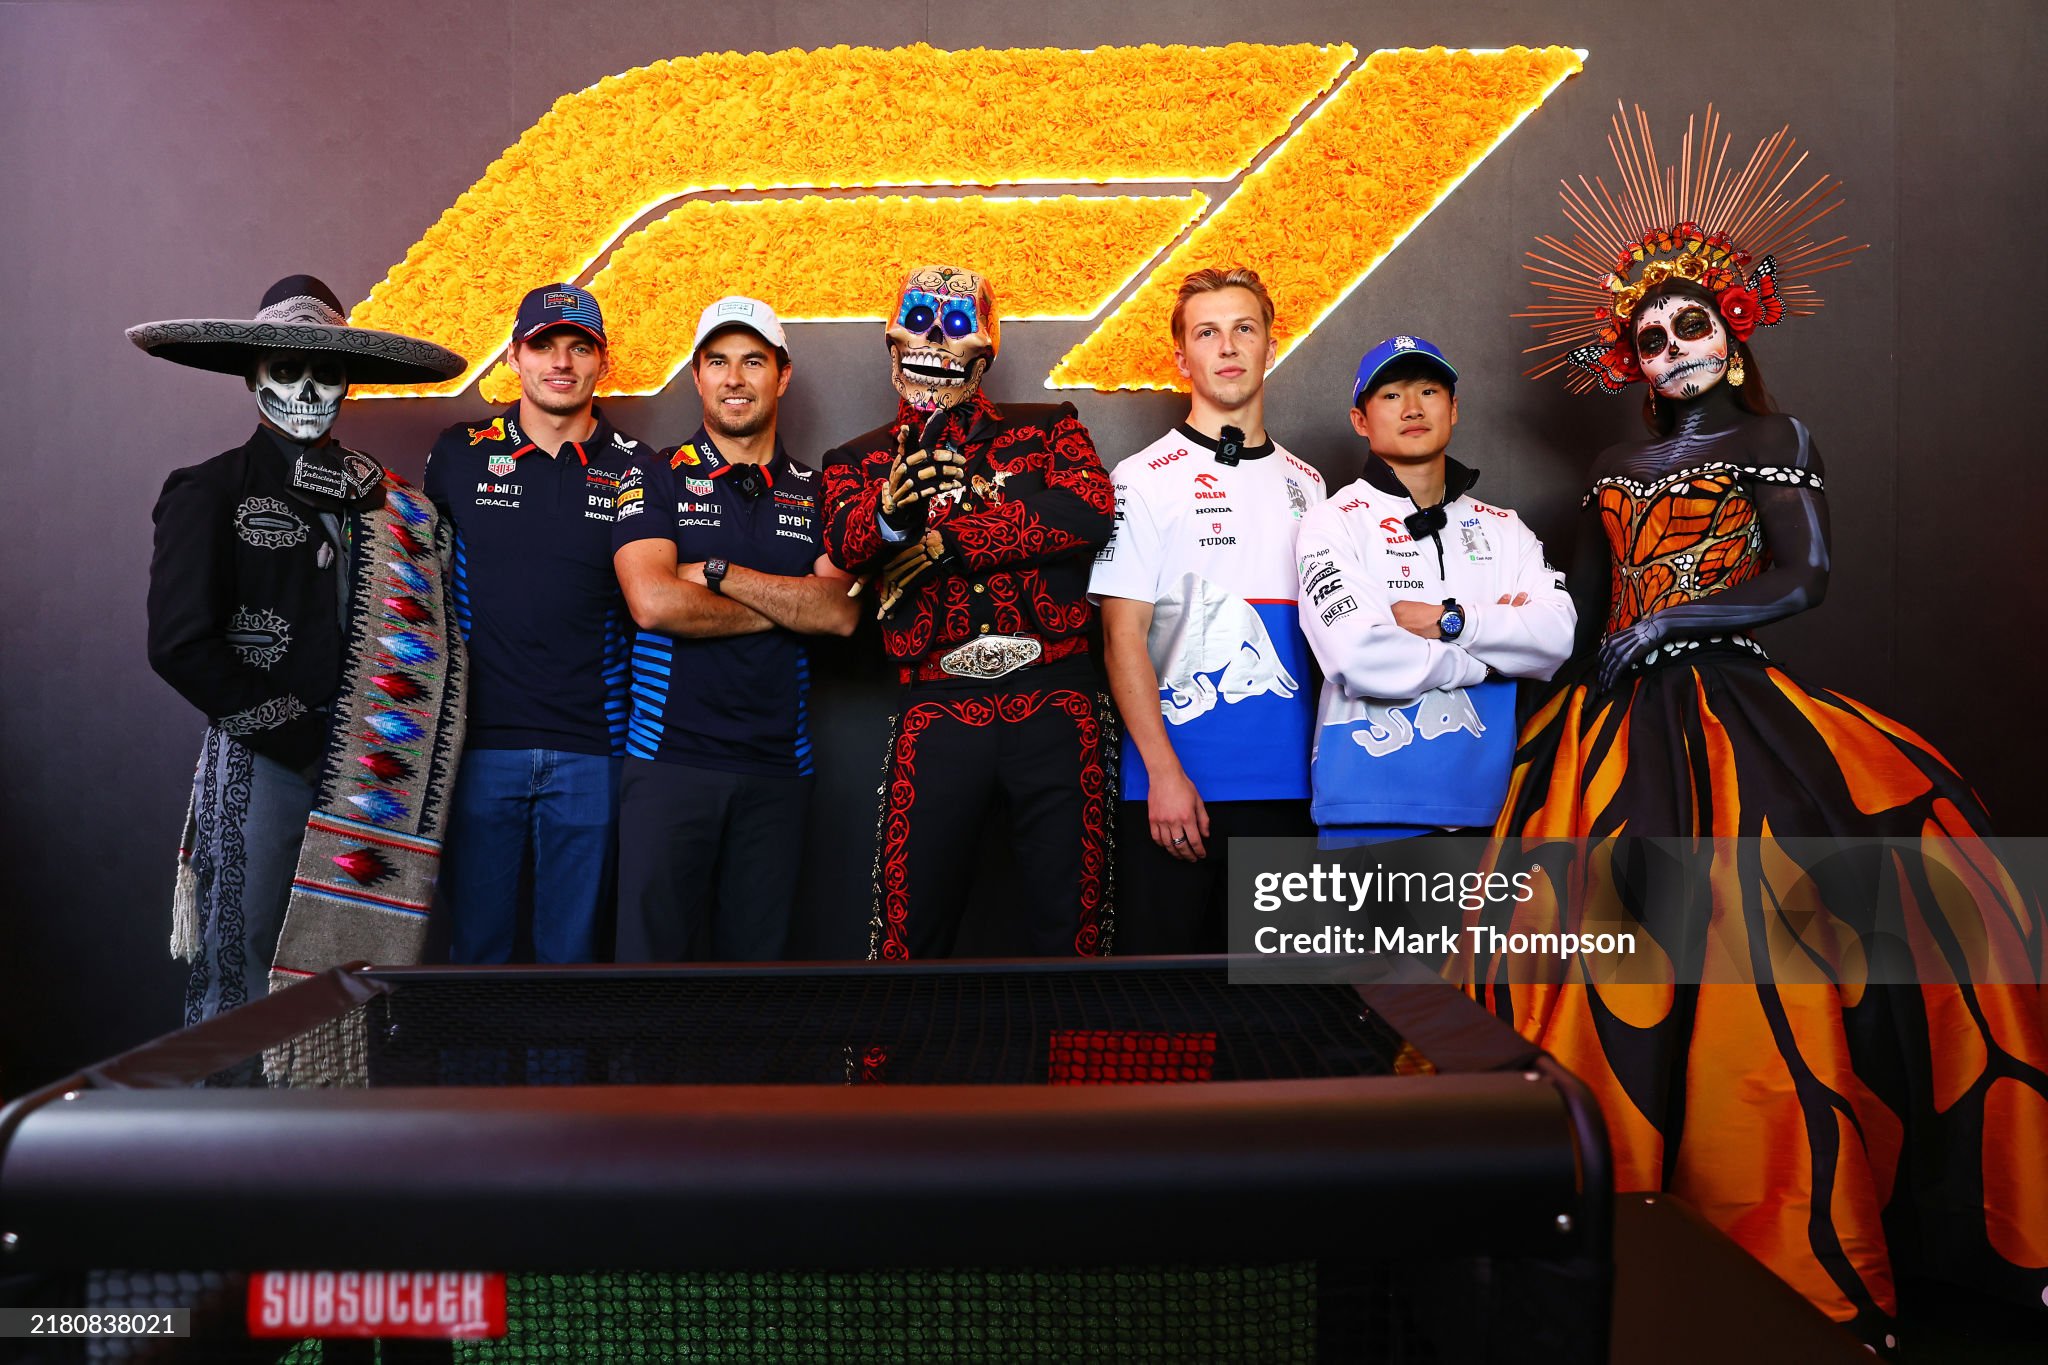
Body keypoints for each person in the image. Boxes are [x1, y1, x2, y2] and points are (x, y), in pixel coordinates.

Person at [1490, 112, 2048, 1350]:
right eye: (1650, 336)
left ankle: (1801, 1194)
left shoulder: (1772, 438)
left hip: (1731, 701)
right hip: (1611, 722)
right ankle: (1620, 1184)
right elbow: (1588, 611)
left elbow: (1803, 577)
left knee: (1784, 915)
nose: (1672, 346)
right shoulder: (1614, 468)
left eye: (1690, 325)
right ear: (1629, 362)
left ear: (1731, 336)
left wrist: (1677, 621)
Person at [133, 275, 468, 1022]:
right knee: (247, 951)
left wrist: (356, 747)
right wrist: (301, 738)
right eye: (287, 369)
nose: (308, 388)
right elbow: (179, 643)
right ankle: (233, 1129)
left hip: (375, 765)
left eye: (327, 371)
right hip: (264, 757)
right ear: (255, 377)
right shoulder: (210, 490)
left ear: (349, 384)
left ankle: (330, 1121)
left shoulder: (394, 502)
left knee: (352, 965)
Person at [822, 264, 1116, 960]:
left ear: (985, 346)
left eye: (955, 324)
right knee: (906, 931)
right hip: (936, 708)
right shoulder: (857, 459)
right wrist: (892, 518)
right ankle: (891, 1067)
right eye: (917, 319)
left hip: (1054, 700)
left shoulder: (1049, 430)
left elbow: (1087, 508)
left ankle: (1078, 1070)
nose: (932, 338)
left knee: (1074, 927)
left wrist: (950, 541)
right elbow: (843, 538)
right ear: (892, 339)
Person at [611, 297, 858, 961]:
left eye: (753, 360)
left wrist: (716, 571)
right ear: (696, 376)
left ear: (782, 375)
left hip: (779, 769)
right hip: (668, 766)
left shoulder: (819, 489)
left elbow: (839, 613)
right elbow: (654, 604)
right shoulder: (653, 473)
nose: (734, 377)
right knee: (649, 982)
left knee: (754, 988)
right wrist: (788, 606)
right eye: (717, 361)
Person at [1089, 267, 1325, 952]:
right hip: (1172, 794)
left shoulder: (1310, 484)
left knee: (1279, 1024)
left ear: (1270, 347)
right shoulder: (1140, 477)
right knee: (1168, 1027)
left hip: (1293, 794)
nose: (1227, 346)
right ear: (1180, 357)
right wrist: (1163, 774)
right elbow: (1121, 638)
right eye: (1207, 332)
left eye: (1243, 328)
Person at [423, 283, 645, 964]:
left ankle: (562, 1074)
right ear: (516, 356)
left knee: (571, 959)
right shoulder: (459, 453)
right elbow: (414, 582)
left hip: (592, 749)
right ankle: (479, 1075)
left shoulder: (637, 464)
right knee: (477, 952)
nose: (562, 361)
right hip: (479, 748)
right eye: (544, 345)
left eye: (580, 348)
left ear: (601, 364)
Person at [1294, 335, 1572, 844]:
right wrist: (1491, 659)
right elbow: (1357, 654)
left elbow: (1555, 637)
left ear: (1453, 408)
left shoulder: (1505, 527)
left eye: (1428, 390)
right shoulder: (1331, 521)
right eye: (1392, 395)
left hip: (1493, 807)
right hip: (1366, 801)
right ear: (1361, 420)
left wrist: (1451, 620)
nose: (1413, 408)